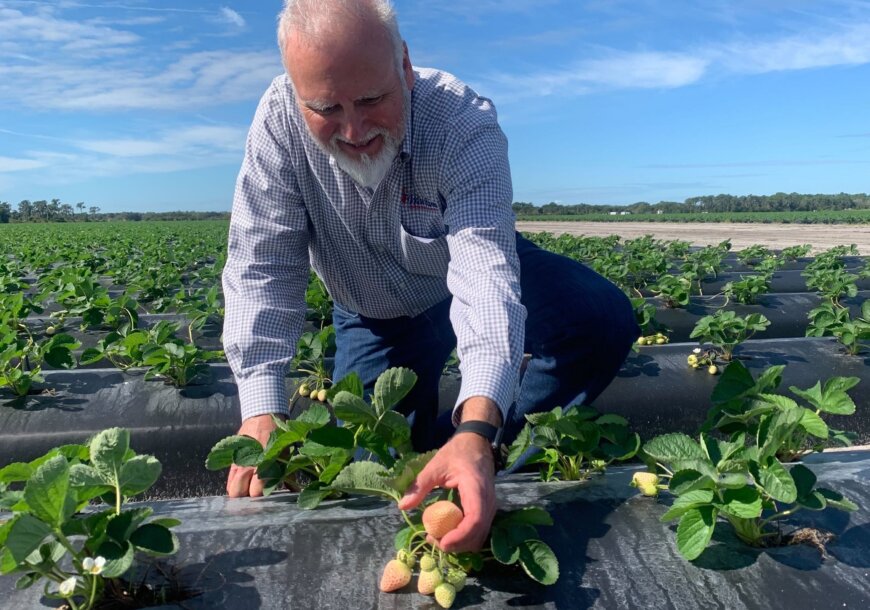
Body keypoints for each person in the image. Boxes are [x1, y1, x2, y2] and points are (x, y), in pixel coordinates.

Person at [222, 0, 638, 553]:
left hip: (459, 273)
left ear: (406, 66)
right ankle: (430, 463)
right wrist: (261, 411)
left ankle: (466, 452)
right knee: (374, 474)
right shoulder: (278, 123)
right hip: (370, 308)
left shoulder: (461, 123)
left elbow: (485, 277)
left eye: (372, 99)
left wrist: (476, 431)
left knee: (596, 319)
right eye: (325, 107)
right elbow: (262, 267)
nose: (354, 129)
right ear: (298, 95)